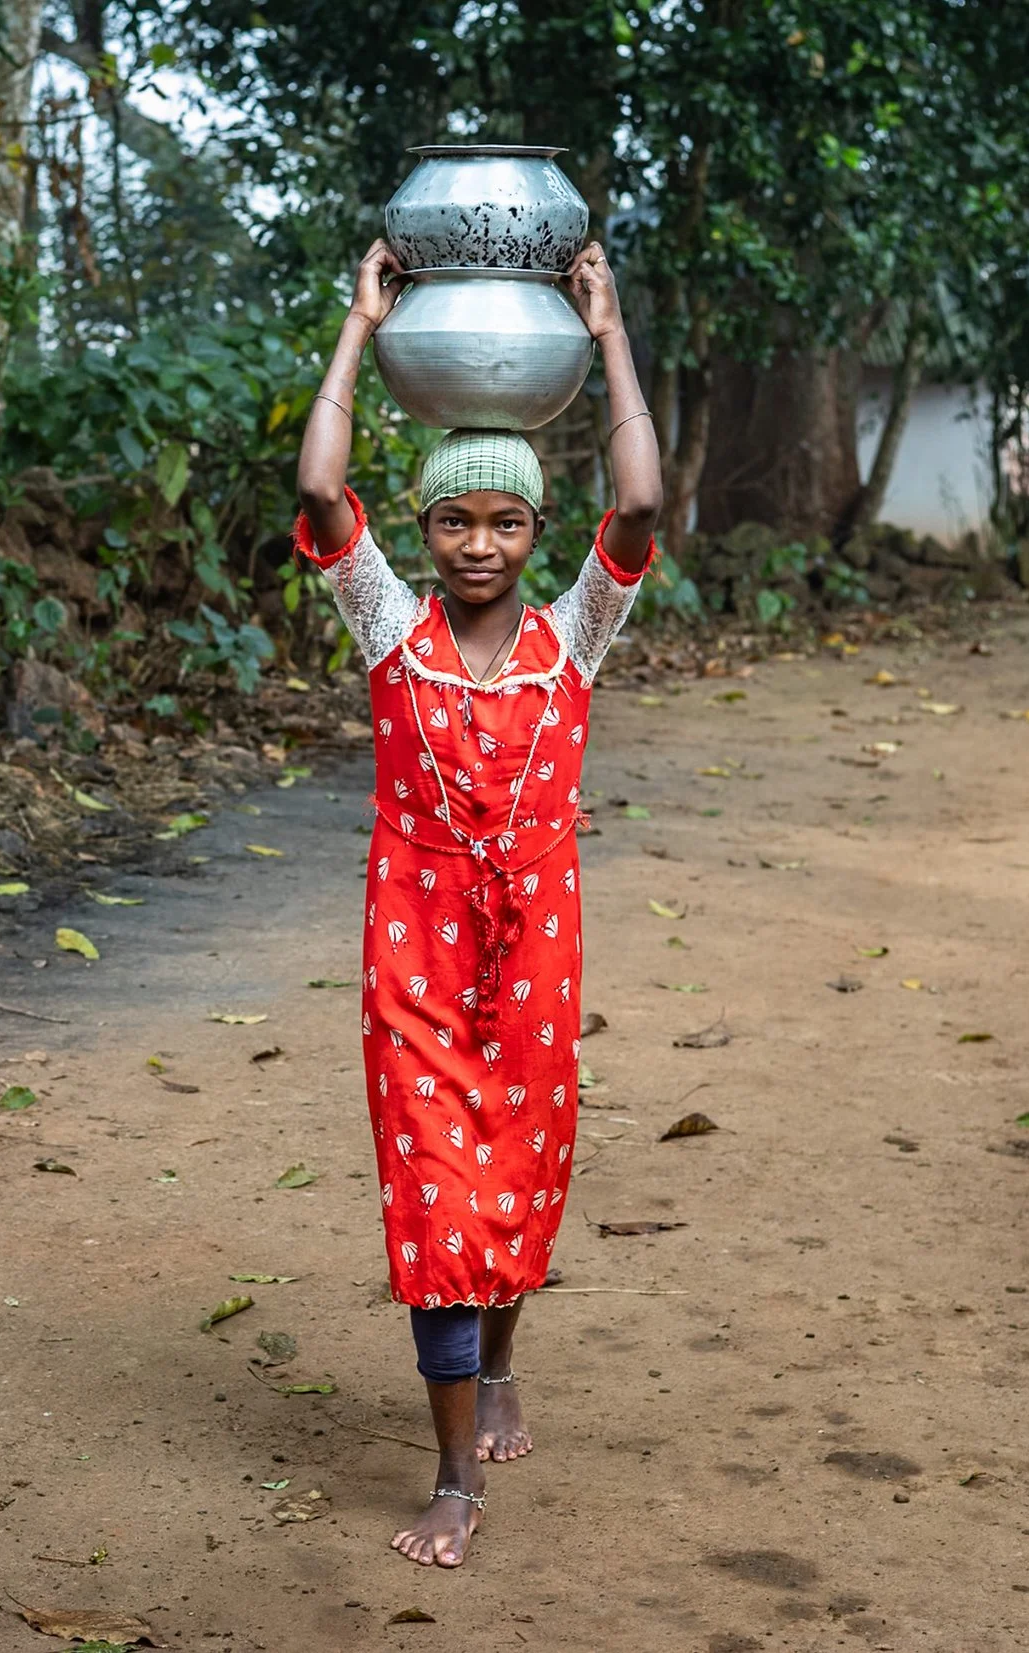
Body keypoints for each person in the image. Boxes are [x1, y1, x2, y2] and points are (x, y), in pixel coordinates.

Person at [293, 239, 663, 1568]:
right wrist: (359, 321)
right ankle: (457, 1477)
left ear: (533, 535)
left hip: (537, 962)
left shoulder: (576, 638)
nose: (480, 545)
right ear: (426, 530)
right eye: (455, 520)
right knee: (440, 1208)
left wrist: (606, 329)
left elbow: (641, 498)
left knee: (521, 1184)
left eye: (505, 522)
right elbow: (320, 485)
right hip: (413, 964)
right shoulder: (389, 627)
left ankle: (502, 1364)